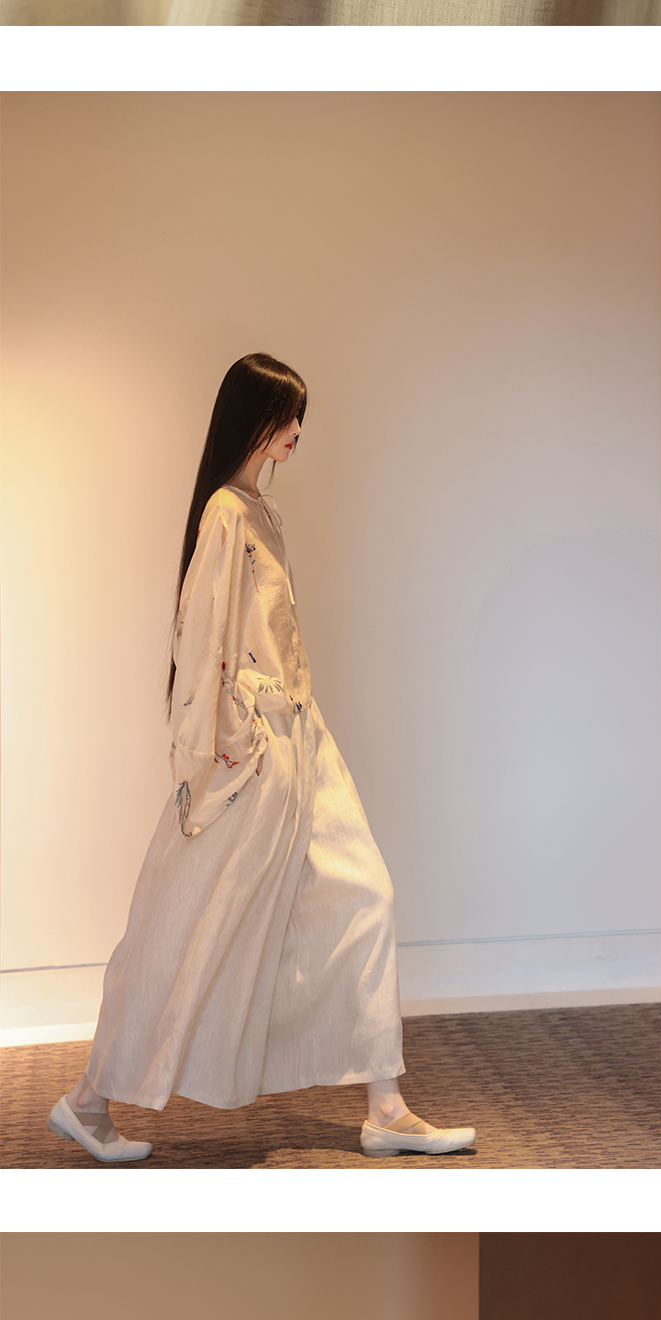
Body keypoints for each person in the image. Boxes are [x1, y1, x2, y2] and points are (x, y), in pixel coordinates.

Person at [48, 353, 476, 1164]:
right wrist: (227, 744)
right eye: (288, 416)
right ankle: (88, 1101)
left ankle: (386, 1107)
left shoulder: (261, 512)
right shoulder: (224, 513)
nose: (299, 431)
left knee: (367, 896)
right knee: (181, 929)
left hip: (303, 739)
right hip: (250, 755)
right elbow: (201, 634)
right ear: (255, 418)